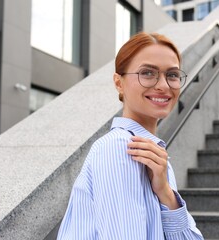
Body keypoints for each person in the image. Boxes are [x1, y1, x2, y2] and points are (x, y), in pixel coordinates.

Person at [57, 32, 204, 240]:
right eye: (147, 73)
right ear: (119, 83)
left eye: (172, 75)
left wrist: (166, 194)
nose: (163, 85)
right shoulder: (120, 148)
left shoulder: (155, 157)